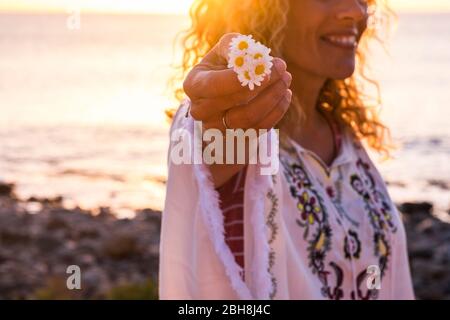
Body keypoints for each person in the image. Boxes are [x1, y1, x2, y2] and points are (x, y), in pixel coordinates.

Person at [159, 0, 414, 300]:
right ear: (267, 8)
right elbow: (207, 150)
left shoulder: (347, 141)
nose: (356, 11)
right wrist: (212, 117)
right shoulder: (242, 132)